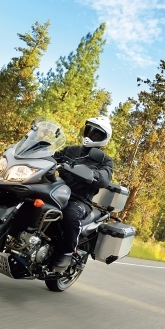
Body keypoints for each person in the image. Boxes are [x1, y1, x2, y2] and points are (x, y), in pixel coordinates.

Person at [51, 116, 114, 271]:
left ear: (104, 138)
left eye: (96, 134)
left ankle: (67, 252)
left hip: (79, 199)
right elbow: (53, 157)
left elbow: (104, 177)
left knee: (71, 215)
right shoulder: (71, 150)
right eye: (88, 131)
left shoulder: (105, 161)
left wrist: (93, 175)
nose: (90, 135)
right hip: (57, 190)